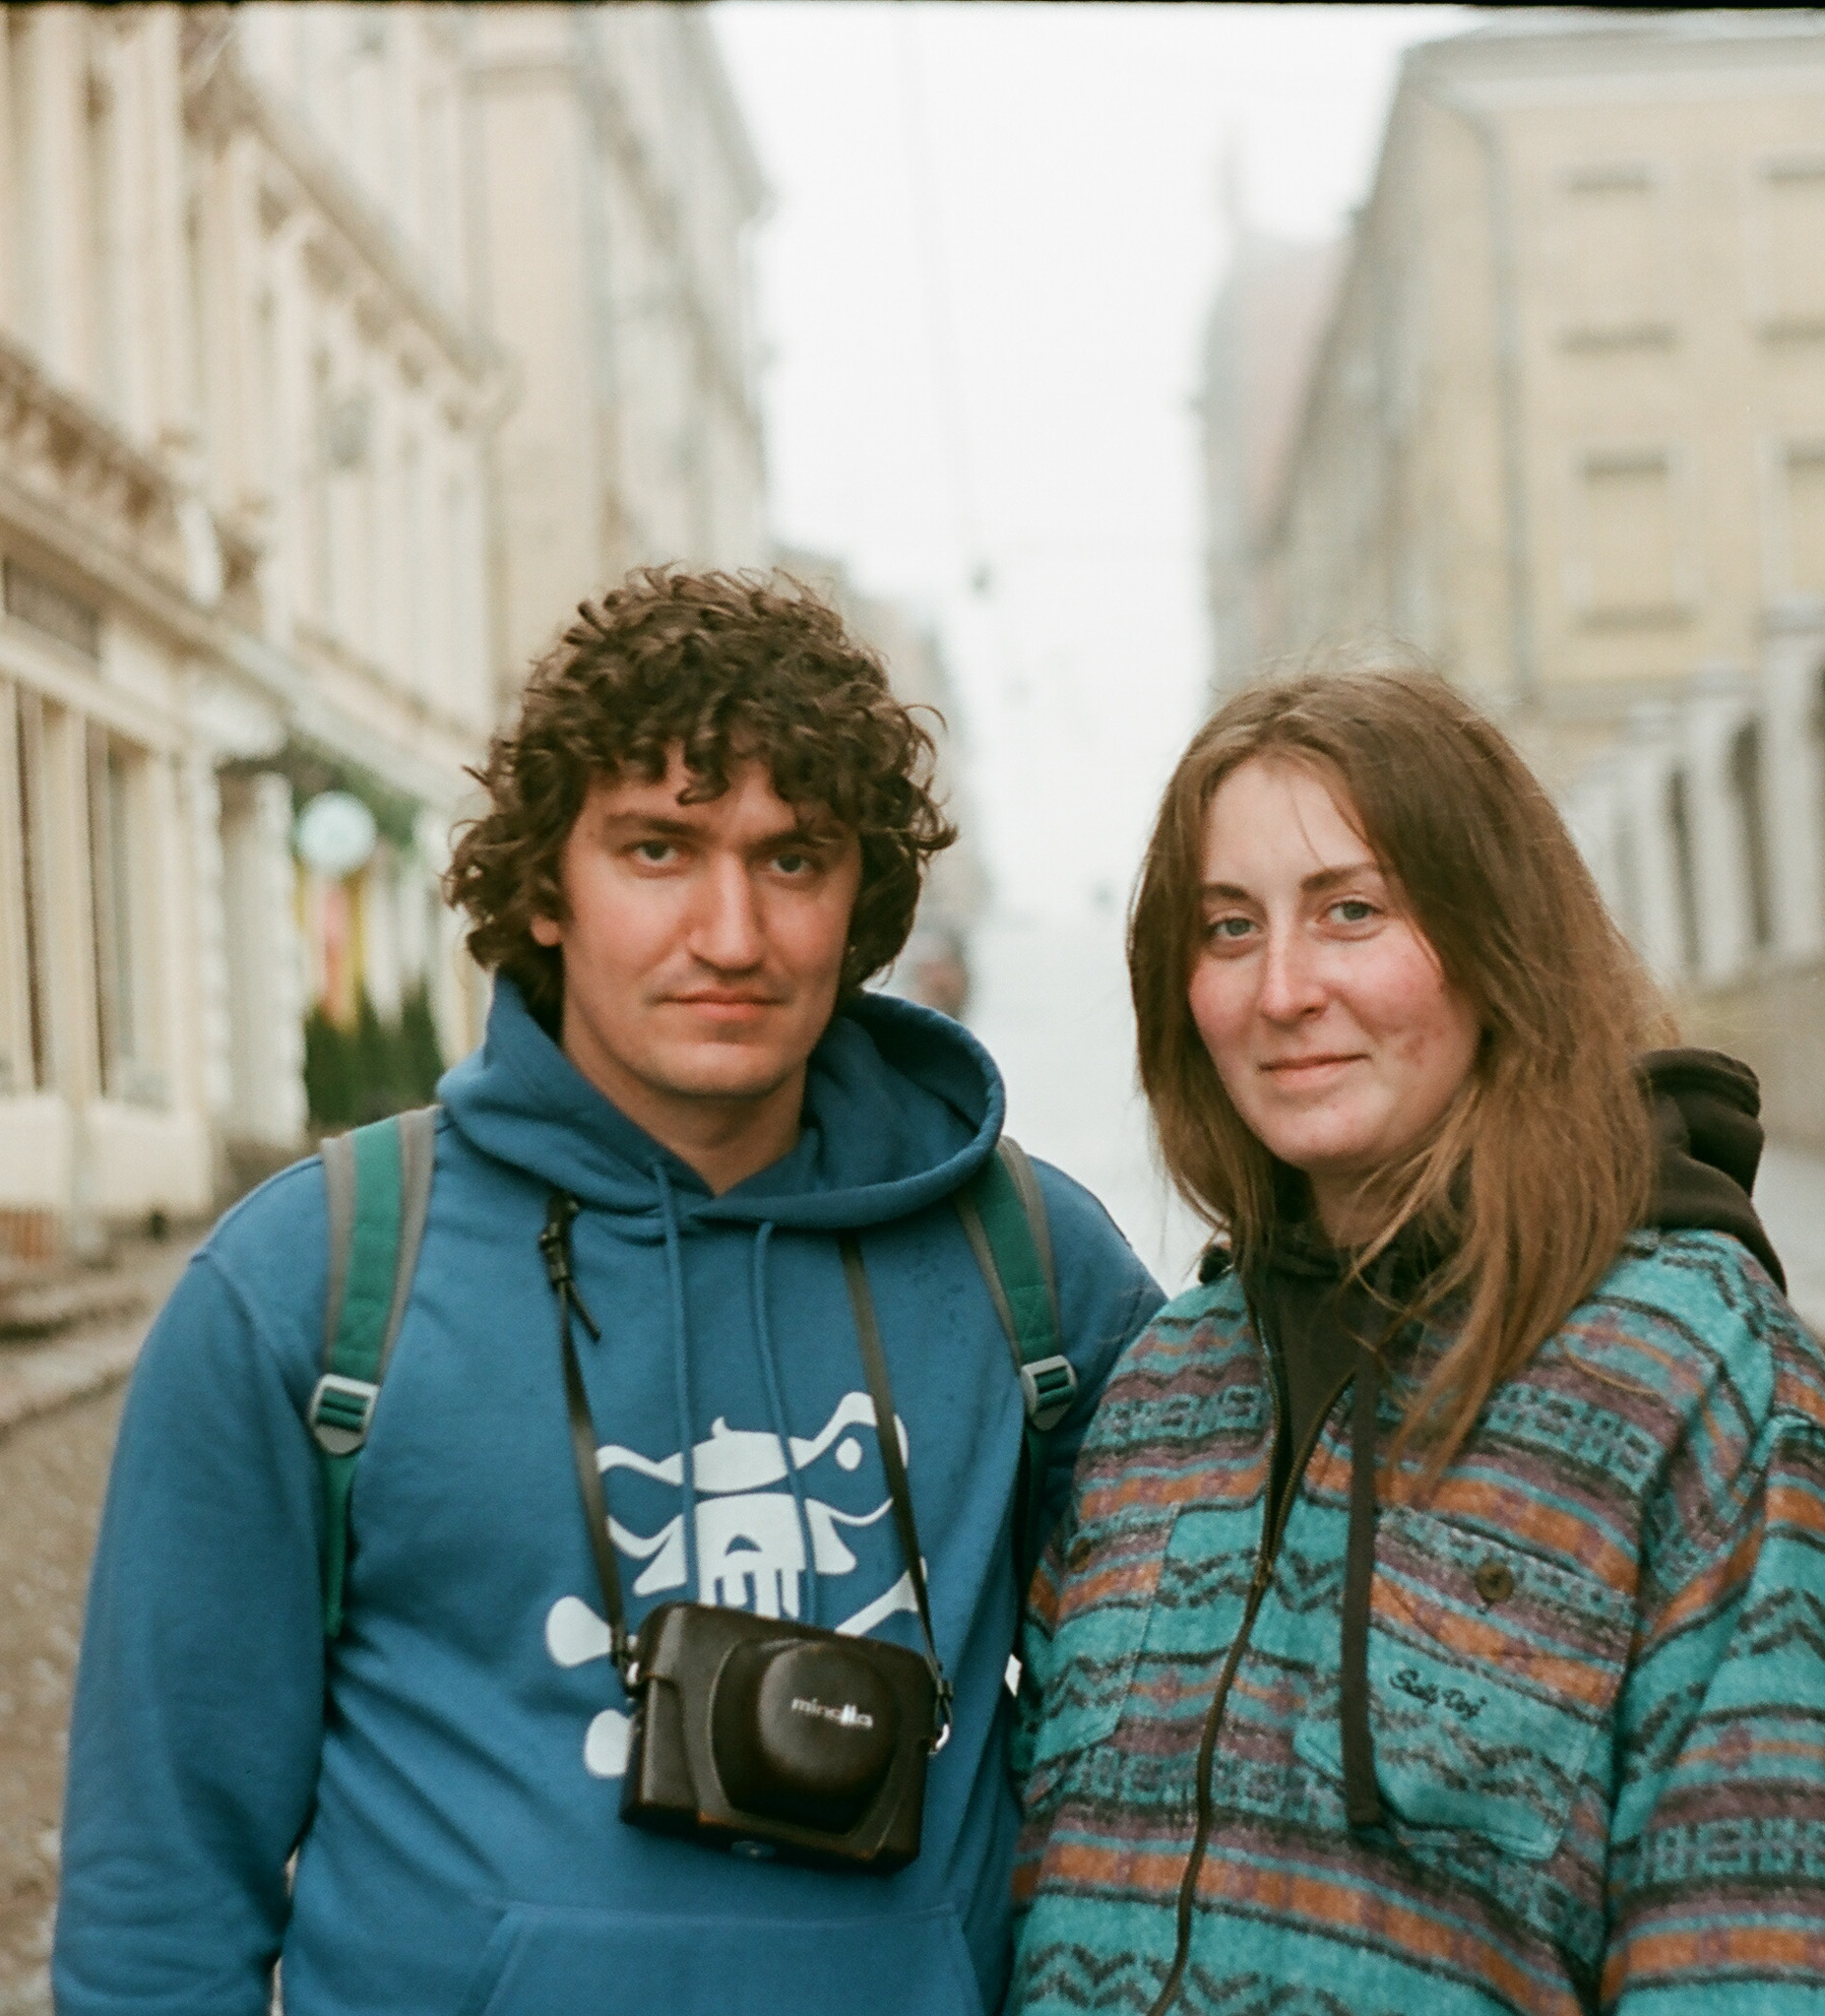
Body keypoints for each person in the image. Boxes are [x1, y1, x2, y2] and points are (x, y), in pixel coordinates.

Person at [55, 570, 1165, 2016]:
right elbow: (160, 1891)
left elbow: (1192, 1751)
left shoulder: (1033, 1267)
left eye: (792, 858)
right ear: (545, 886)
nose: (730, 933)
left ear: (863, 894)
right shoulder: (313, 1288)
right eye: (656, 848)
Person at [1010, 670, 1825, 2015]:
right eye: (1227, 928)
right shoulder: (1165, 1392)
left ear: (1494, 939)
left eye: (1352, 911)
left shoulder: (1704, 1389)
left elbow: (1783, 1954)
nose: (1282, 990)